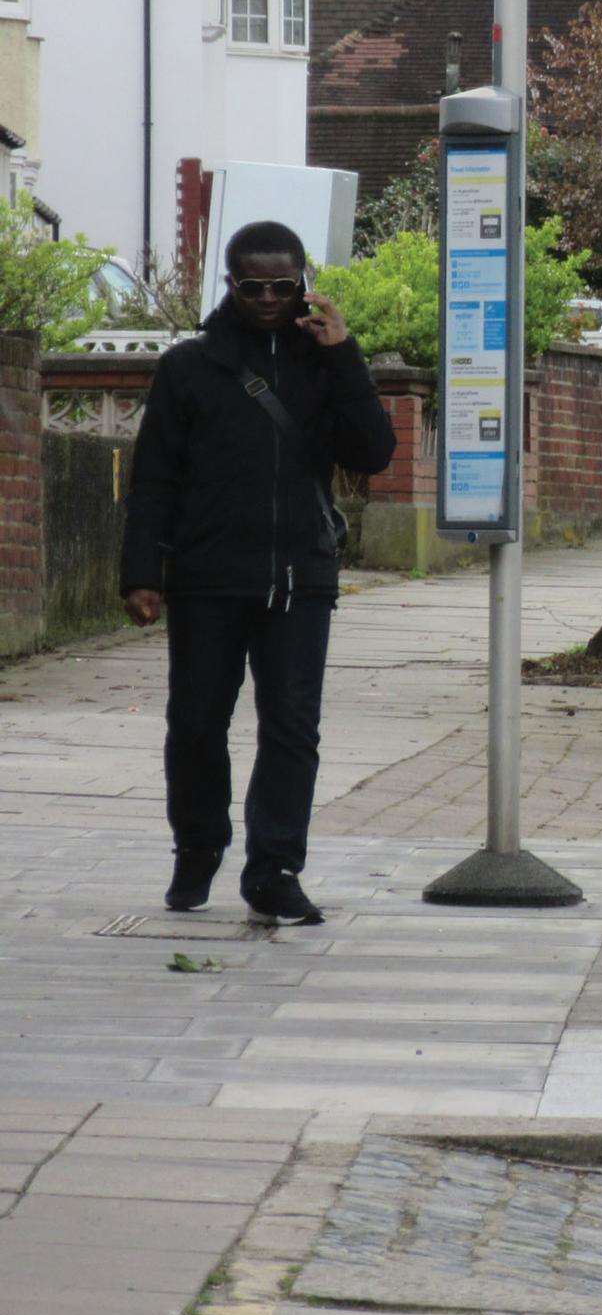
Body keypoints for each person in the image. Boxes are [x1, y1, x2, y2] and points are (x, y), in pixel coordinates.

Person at [120, 221, 398, 925]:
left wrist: (344, 355)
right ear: (230, 283)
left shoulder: (321, 364)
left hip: (300, 575)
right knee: (195, 723)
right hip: (207, 576)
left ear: (303, 282)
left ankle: (274, 867)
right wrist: (142, 572)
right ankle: (198, 846)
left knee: (292, 728)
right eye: (254, 286)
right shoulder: (190, 367)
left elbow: (371, 452)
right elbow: (154, 476)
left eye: (284, 285)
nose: (270, 298)